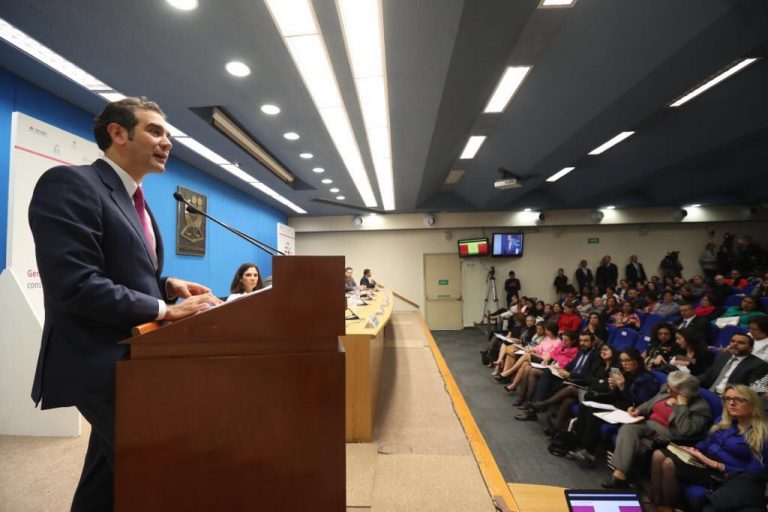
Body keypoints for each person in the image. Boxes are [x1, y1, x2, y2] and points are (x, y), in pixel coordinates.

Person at [27, 97, 222, 511]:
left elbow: (125, 270)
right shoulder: (69, 183)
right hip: (97, 360)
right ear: (118, 133)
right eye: (155, 131)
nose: (167, 142)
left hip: (134, 358)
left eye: (169, 135)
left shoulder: (138, 200)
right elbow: (75, 284)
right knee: (160, 470)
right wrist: (164, 310)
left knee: (105, 479)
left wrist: (168, 284)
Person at [650, 385, 768, 510]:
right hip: (704, 461)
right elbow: (706, 443)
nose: (732, 403)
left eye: (739, 399)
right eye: (728, 399)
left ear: (752, 404)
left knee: (669, 463)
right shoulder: (723, 421)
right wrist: (694, 450)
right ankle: (656, 504)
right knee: (658, 454)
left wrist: (717, 465)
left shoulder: (761, 435)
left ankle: (669, 507)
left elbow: (754, 474)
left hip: (728, 475)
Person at [602, 371, 712, 489]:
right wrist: (638, 410)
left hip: (665, 436)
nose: (669, 390)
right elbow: (650, 403)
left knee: (634, 443)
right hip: (647, 425)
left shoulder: (701, 408)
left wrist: (682, 406)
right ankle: (621, 474)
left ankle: (622, 477)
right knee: (627, 429)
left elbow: (685, 431)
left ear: (684, 393)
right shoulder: (667, 390)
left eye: (673, 389)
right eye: (669, 387)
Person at [567, 348, 659, 466]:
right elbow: (617, 396)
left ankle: (589, 452)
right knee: (585, 406)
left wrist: (622, 387)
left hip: (629, 412)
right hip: (618, 405)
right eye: (622, 361)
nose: (624, 364)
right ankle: (578, 444)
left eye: (628, 361)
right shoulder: (626, 374)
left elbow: (641, 403)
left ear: (637, 361)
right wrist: (613, 387)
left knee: (593, 413)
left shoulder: (647, 379)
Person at [697, 333, 768, 393]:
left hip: (730, 399)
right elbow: (707, 376)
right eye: (733, 341)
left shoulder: (759, 365)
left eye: (741, 343)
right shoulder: (723, 356)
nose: (734, 344)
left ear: (750, 348)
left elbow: (754, 390)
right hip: (709, 392)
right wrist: (690, 381)